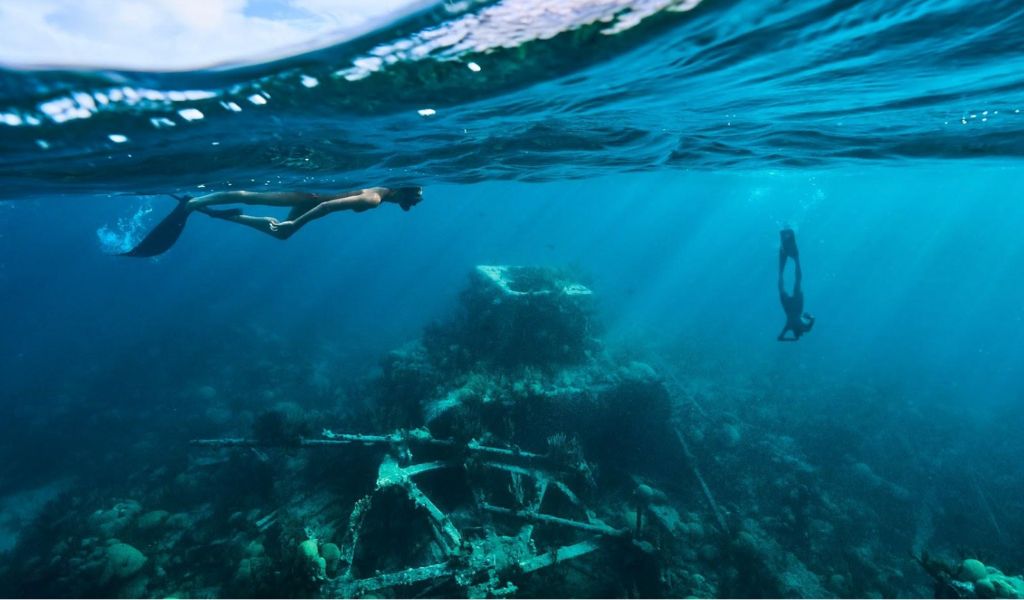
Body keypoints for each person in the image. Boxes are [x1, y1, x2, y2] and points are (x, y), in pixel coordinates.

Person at [119, 186, 422, 257]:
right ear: (404, 192)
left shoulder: (382, 193)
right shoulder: (374, 199)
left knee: (280, 234)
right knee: (253, 196)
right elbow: (329, 207)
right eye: (414, 197)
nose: (413, 203)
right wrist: (295, 223)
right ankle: (197, 202)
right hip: (310, 196)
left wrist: (293, 225)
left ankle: (236, 217)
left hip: (313, 200)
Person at [777, 228, 815, 341]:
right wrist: (793, 339)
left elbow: (813, 318)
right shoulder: (790, 326)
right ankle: (784, 264)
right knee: (781, 285)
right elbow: (780, 338)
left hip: (796, 308)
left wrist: (808, 316)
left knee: (797, 281)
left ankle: (796, 259)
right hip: (789, 308)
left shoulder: (805, 328)